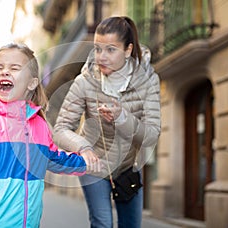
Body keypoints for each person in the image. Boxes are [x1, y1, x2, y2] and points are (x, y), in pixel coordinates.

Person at [0, 43, 99, 228]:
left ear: (32, 83)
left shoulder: (39, 125)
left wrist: (85, 162)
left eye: (14, 68)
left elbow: (52, 157)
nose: (4, 72)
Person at [53, 16, 161, 228]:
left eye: (111, 50)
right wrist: (82, 148)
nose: (102, 57)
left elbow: (152, 135)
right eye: (98, 49)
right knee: (102, 223)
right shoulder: (84, 82)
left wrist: (122, 118)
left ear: (128, 50)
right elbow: (60, 129)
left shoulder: (148, 81)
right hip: (94, 165)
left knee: (131, 225)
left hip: (129, 166)